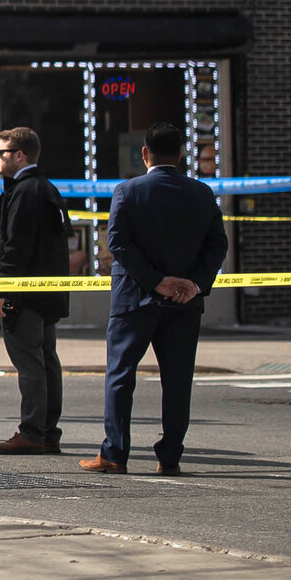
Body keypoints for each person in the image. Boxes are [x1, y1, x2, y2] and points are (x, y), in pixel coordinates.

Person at [81, 122, 229, 476]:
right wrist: (194, 284)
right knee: (177, 380)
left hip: (134, 299)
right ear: (180, 155)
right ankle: (170, 456)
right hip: (184, 303)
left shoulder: (127, 191)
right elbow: (217, 245)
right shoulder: (202, 193)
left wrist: (155, 281)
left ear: (145, 153)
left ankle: (115, 454)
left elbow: (117, 243)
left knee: (120, 375)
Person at [0, 125, 72, 456]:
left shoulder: (24, 192)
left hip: (24, 295)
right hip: (47, 294)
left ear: (19, 155)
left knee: (30, 363)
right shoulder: (46, 188)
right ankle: (48, 431)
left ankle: (32, 432)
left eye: (2, 152)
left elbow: (15, 246)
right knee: (47, 360)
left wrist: (2, 290)